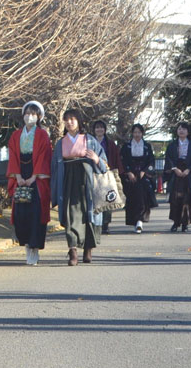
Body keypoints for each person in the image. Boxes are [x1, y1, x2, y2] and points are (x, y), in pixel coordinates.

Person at [51, 110, 107, 266]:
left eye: (73, 119)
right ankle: (73, 250)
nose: (69, 122)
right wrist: (55, 190)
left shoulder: (90, 140)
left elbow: (105, 164)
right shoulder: (61, 143)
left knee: (89, 214)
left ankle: (88, 248)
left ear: (79, 121)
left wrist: (97, 159)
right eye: (67, 120)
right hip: (68, 181)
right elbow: (55, 168)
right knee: (70, 216)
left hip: (87, 181)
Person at [7, 101, 52, 265]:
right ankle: (27, 245)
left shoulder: (42, 135)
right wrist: (17, 176)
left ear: (39, 117)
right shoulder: (16, 135)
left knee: (36, 213)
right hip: (20, 173)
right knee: (21, 213)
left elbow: (44, 156)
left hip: (37, 177)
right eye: (27, 113)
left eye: (33, 114)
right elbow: (12, 155)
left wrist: (34, 177)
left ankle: (35, 248)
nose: (29, 117)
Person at [163, 122, 191, 232]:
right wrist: (174, 169)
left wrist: (189, 170)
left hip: (188, 174)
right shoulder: (172, 145)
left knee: (187, 199)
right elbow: (168, 159)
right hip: (176, 173)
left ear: (188, 132)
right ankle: (176, 222)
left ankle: (185, 223)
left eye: (184, 129)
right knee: (175, 199)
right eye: (179, 129)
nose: (181, 131)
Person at [120, 123, 157, 234]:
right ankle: (134, 221)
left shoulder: (147, 146)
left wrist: (145, 171)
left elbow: (151, 161)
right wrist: (128, 172)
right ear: (132, 133)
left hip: (143, 174)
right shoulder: (126, 146)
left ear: (142, 133)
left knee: (143, 195)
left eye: (139, 132)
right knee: (131, 197)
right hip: (130, 175)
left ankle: (140, 220)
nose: (137, 134)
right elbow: (123, 160)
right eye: (135, 132)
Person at [92, 120, 123, 235]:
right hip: (93, 173)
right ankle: (96, 223)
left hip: (107, 173)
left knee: (108, 199)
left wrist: (116, 172)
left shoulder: (110, 143)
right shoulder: (90, 141)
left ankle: (105, 224)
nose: (99, 130)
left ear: (105, 130)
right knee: (95, 199)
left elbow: (116, 158)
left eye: (101, 128)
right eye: (97, 128)